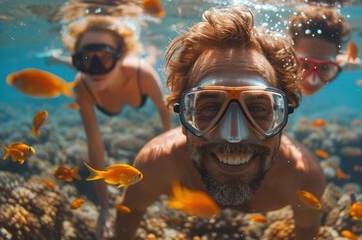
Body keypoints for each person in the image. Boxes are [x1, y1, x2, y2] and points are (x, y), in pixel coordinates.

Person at [115, 5, 325, 239]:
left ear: (284, 118)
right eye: (210, 107)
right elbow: (130, 210)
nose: (233, 135)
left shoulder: (304, 177)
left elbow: (306, 230)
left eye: (257, 108)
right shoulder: (155, 165)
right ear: (183, 119)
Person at [60, 15, 172, 238]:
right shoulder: (83, 86)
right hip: (108, 82)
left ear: (120, 57)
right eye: (85, 59)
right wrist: (103, 207)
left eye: (104, 57)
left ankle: (152, 53)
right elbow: (95, 142)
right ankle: (62, 59)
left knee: (147, 61)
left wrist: (167, 157)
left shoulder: (143, 74)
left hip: (137, 73)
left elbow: (164, 111)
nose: (95, 69)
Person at [288, 4, 361, 96]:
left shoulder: (336, 66)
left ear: (335, 59)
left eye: (324, 67)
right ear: (291, 55)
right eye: (305, 65)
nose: (313, 81)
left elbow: (357, 63)